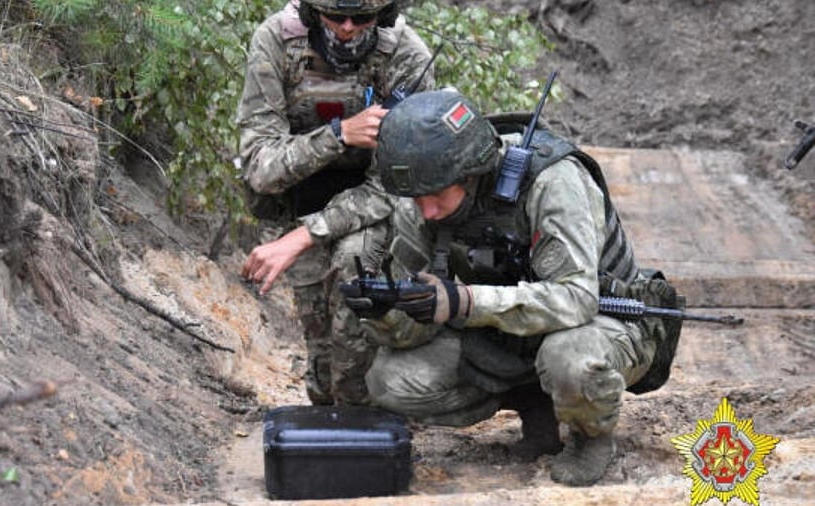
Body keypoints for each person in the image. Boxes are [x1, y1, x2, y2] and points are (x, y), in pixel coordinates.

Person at [345, 89, 679, 486]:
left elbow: (577, 298)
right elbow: (414, 328)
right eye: (416, 200)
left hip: (606, 319)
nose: (426, 211)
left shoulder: (553, 180)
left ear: (470, 174)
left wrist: (464, 301)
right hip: (509, 331)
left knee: (571, 362)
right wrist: (387, 310)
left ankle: (591, 437)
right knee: (390, 380)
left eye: (435, 198)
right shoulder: (421, 192)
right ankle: (533, 400)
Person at [237, 0, 434, 405]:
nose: (347, 28)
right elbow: (260, 166)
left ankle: (363, 420)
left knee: (354, 275)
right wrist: (339, 134)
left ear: (385, 15)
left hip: (373, 206)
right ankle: (330, 418)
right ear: (312, 12)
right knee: (323, 360)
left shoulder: (407, 56)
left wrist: (304, 237)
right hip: (299, 199)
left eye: (362, 19)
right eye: (335, 17)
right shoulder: (276, 42)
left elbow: (395, 185)